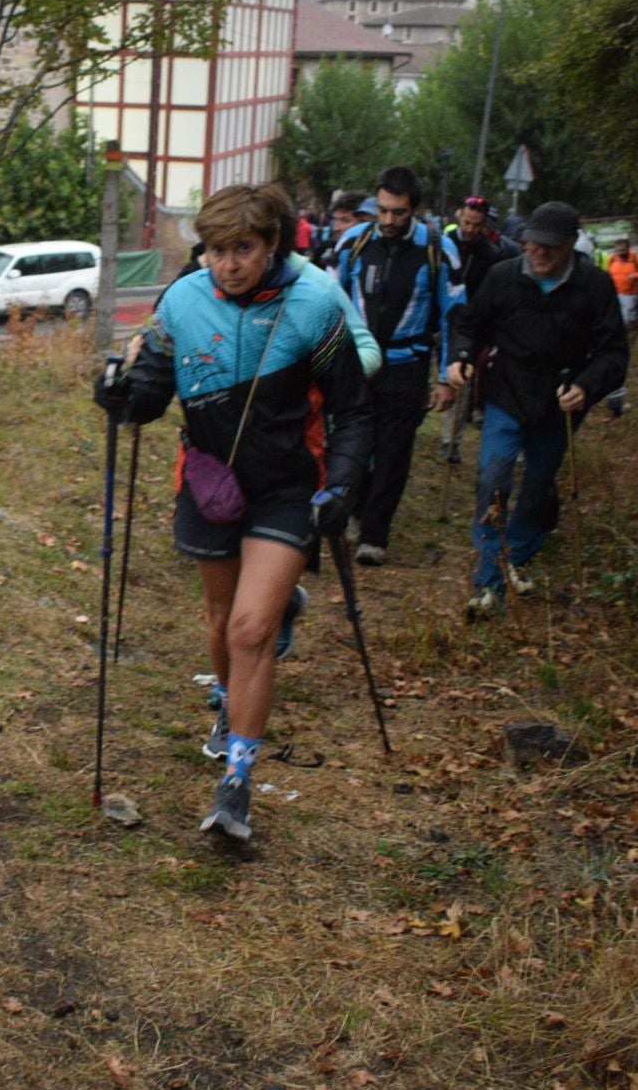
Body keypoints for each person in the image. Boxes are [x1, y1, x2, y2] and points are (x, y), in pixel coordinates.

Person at [96, 184, 370, 844]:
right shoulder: (182, 301)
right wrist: (117, 394)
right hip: (211, 483)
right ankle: (229, 703)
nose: (228, 264)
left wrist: (344, 484)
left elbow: (353, 409)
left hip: (286, 486)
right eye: (217, 251)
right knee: (221, 622)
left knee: (250, 629)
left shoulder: (313, 307)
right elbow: (149, 398)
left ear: (273, 243)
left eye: (243, 249)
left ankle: (237, 784)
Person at [446, 201, 627, 618]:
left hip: (559, 400)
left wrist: (587, 385)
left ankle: (519, 552)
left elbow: (614, 354)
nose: (538, 254)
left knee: (538, 484)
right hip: (507, 391)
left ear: (569, 246)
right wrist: (461, 356)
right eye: (532, 244)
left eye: (549, 247)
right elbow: (471, 323)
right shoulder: (504, 276)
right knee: (493, 477)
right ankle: (487, 584)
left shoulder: (595, 287)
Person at [332, 165, 460, 566]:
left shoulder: (439, 251)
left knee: (393, 450)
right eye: (383, 210)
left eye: (398, 213)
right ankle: (355, 508)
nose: (388, 220)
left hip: (407, 365)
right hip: (355, 362)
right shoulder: (353, 242)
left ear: (415, 211)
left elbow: (453, 314)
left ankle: (375, 533)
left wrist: (446, 375)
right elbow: (328, 300)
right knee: (352, 443)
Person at [439, 196, 520, 464]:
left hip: (469, 323)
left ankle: (451, 441)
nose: (470, 229)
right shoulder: (443, 243)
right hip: (440, 317)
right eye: (466, 222)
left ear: (484, 224)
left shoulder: (491, 254)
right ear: (459, 215)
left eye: (476, 225)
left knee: (461, 377)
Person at [605, 238, 638, 327]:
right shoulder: (612, 258)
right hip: (614, 293)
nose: (620, 253)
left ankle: (630, 333)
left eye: (622, 250)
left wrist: (636, 275)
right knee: (616, 317)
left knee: (628, 318)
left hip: (630, 293)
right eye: (618, 250)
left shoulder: (637, 258)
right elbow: (607, 274)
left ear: (628, 249)